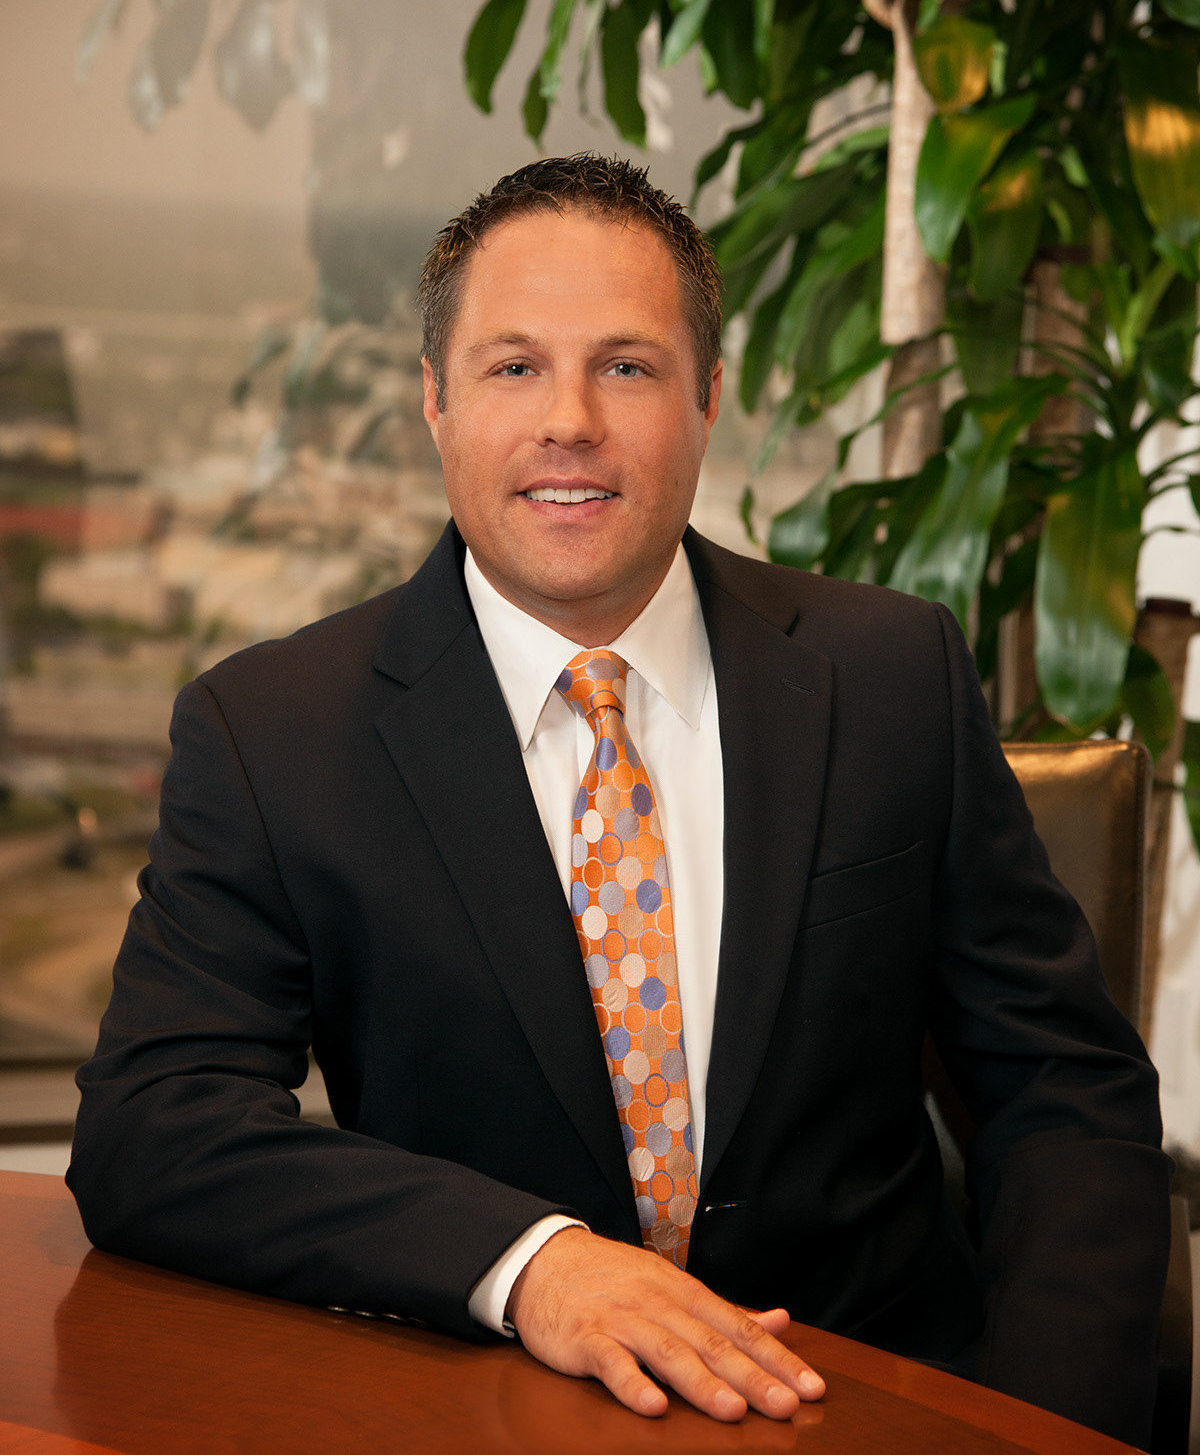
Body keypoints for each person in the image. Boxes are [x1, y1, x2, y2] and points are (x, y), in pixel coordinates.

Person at [68, 153, 1170, 1446]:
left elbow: (1065, 1091)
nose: (570, 421)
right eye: (513, 366)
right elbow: (156, 1126)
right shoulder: (275, 734)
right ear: (435, 400)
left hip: (872, 1405)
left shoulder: (890, 676)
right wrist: (531, 1264)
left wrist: (1037, 1431)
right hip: (484, 1415)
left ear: (708, 398)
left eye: (629, 367)